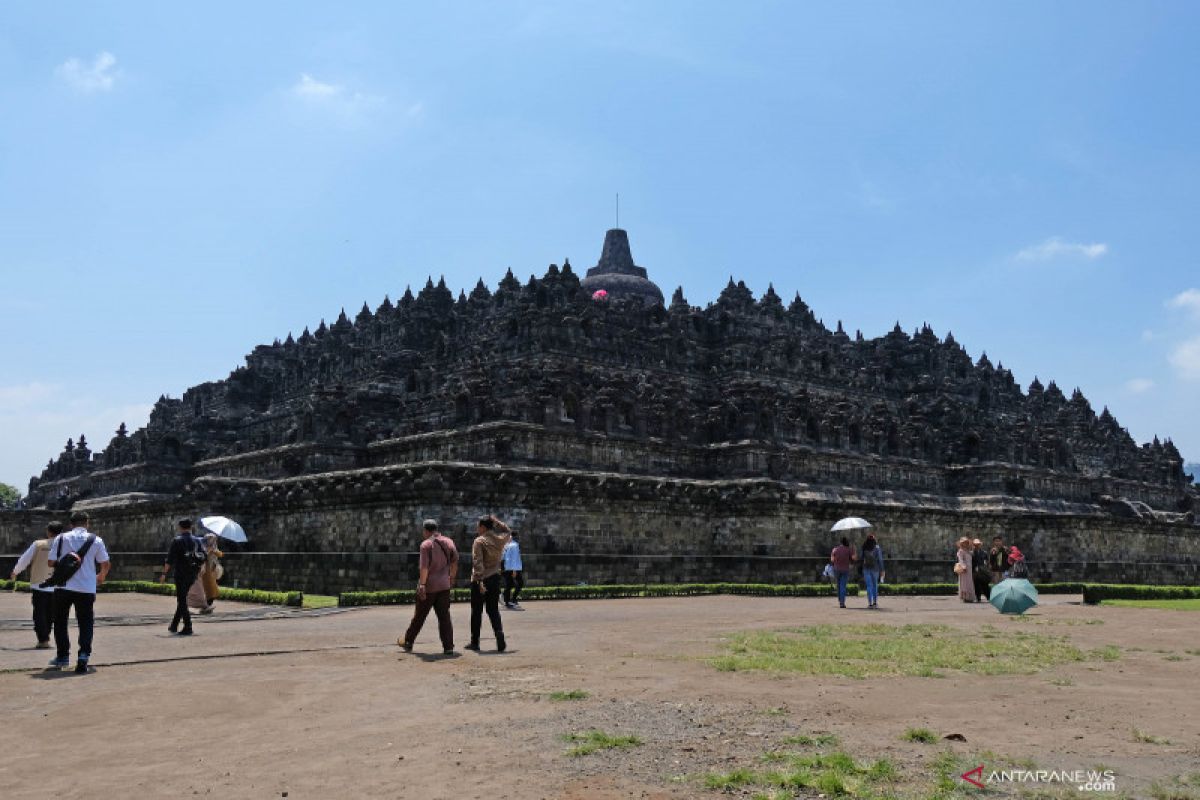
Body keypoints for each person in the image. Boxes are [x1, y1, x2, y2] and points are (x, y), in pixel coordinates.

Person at [46, 511, 111, 672]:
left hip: (63, 586)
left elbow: (50, 562)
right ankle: (83, 656)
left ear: (71, 524)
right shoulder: (96, 540)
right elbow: (105, 563)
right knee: (86, 622)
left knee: (60, 622)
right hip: (86, 588)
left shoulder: (61, 538)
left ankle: (62, 656)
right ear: (87, 523)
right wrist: (101, 576)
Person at [399, 519, 458, 654]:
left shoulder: (426, 544)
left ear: (426, 531)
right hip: (444, 585)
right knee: (444, 617)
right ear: (436, 529)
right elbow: (455, 562)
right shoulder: (449, 542)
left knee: (419, 615)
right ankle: (448, 647)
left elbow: (424, 567)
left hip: (430, 586)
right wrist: (451, 578)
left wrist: (422, 585)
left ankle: (408, 641)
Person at [10, 521, 62, 648]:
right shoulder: (65, 545)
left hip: (39, 584)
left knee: (39, 613)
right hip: (58, 585)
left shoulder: (38, 544)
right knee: (51, 613)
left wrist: (15, 571)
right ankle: (46, 635)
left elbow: (24, 559)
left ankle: (43, 639)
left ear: (48, 531)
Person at [467, 515, 511, 652]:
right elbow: (508, 532)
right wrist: (498, 522)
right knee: (493, 610)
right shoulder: (499, 540)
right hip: (495, 578)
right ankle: (499, 633)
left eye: (478, 526)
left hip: (481, 580)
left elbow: (477, 562)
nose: (477, 528)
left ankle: (475, 642)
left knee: (476, 612)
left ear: (483, 527)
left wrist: (479, 580)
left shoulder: (479, 541)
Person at [159, 519, 204, 635]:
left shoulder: (177, 541)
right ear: (191, 527)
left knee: (182, 600)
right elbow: (204, 557)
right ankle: (174, 625)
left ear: (180, 527)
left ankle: (188, 626)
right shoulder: (197, 541)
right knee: (183, 599)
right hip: (192, 574)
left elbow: (169, 560)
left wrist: (164, 574)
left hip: (181, 573)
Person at [859, 534, 885, 609]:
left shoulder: (864, 547)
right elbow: (880, 560)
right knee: (875, 585)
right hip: (875, 569)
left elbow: (861, 558)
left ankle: (870, 603)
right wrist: (882, 570)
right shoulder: (877, 548)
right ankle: (875, 603)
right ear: (874, 540)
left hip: (866, 568)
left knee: (869, 586)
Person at [830, 537, 856, 609]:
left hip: (837, 569)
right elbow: (853, 558)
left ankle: (840, 599)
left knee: (838, 585)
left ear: (840, 542)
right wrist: (854, 550)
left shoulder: (835, 549)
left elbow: (832, 560)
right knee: (843, 586)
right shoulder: (849, 550)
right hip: (845, 569)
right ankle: (842, 602)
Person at [200, 532, 223, 612]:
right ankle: (205, 606)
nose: (212, 541)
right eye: (210, 539)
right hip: (205, 571)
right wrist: (209, 551)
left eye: (213, 539)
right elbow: (202, 556)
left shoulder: (214, 547)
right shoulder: (203, 547)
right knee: (208, 589)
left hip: (212, 570)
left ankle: (207, 606)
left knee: (212, 589)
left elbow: (220, 554)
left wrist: (214, 551)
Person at [502, 531, 524, 610]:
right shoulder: (515, 545)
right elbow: (514, 558)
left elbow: (503, 557)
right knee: (515, 584)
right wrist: (514, 570)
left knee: (511, 584)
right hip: (514, 568)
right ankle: (509, 600)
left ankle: (509, 600)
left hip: (509, 567)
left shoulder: (507, 545)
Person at [955, 537, 976, 603]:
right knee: (964, 583)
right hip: (964, 569)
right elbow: (960, 560)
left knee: (969, 582)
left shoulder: (968, 551)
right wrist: (964, 567)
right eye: (963, 543)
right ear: (961, 544)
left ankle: (970, 597)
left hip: (969, 569)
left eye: (966, 542)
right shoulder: (960, 551)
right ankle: (965, 597)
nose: (965, 544)